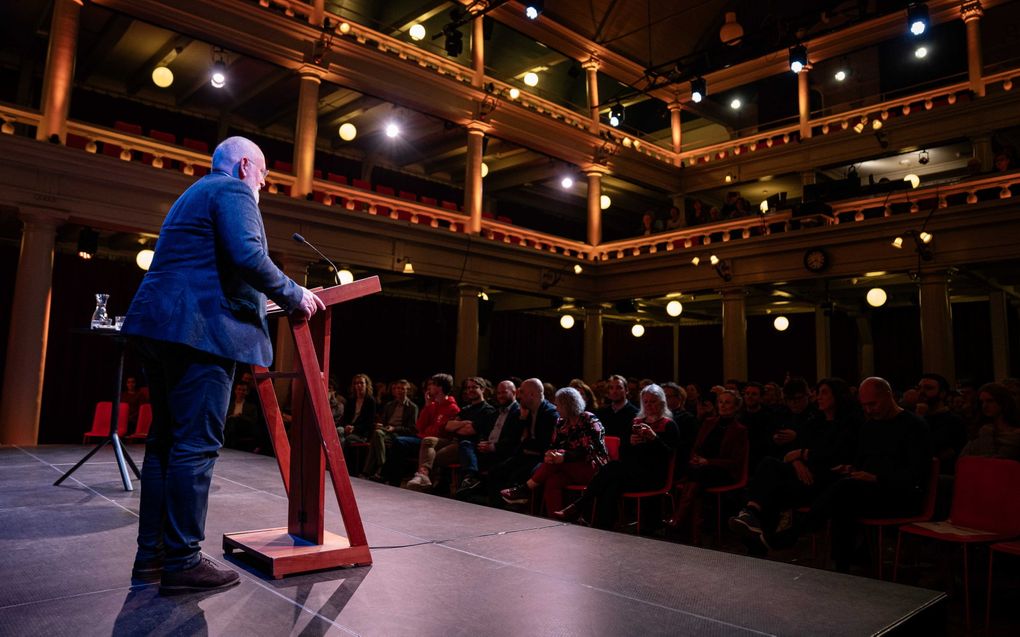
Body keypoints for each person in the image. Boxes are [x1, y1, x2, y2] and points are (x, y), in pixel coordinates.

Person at [121, 136, 324, 594]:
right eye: (264, 175)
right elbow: (247, 255)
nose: (264, 185)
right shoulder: (232, 190)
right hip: (201, 333)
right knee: (194, 446)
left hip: (161, 327)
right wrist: (294, 294)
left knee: (166, 446)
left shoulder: (192, 193)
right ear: (246, 166)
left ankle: (152, 559)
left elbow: (211, 265)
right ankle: (183, 561)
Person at [729, 378, 863, 553]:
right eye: (818, 392)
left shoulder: (847, 424)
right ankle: (752, 514)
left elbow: (834, 455)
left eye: (824, 393)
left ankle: (760, 538)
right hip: (805, 473)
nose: (819, 397)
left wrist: (803, 454)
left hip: (824, 479)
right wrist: (798, 460)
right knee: (769, 466)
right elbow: (793, 451)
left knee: (774, 489)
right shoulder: (816, 422)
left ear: (837, 396)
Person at [555, 384, 679, 532]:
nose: (648, 405)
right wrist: (631, 443)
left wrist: (654, 438)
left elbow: (668, 455)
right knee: (611, 486)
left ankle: (579, 506)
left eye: (653, 401)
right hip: (632, 473)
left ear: (662, 403)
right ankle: (601, 529)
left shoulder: (668, 425)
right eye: (645, 402)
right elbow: (624, 453)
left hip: (653, 476)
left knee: (612, 469)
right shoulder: (637, 423)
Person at [500, 387, 608, 514]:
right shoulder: (561, 422)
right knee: (552, 481)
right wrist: (550, 454)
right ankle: (555, 519)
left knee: (552, 465)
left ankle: (524, 490)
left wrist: (564, 457)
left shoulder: (589, 420)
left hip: (593, 468)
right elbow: (554, 445)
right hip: (566, 467)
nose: (556, 409)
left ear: (568, 405)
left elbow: (593, 450)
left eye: (558, 405)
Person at [363, 379, 419, 479]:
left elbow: (411, 429)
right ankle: (379, 469)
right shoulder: (389, 405)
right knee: (377, 434)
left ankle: (373, 470)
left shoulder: (412, 407)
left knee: (377, 435)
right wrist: (380, 424)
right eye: (397, 388)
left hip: (399, 434)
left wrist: (394, 428)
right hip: (386, 431)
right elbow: (383, 421)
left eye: (402, 388)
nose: (399, 391)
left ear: (408, 391)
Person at [960, 382, 1020, 460]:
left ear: (1003, 402)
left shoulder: (1015, 435)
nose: (984, 406)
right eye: (982, 402)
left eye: (990, 401)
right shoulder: (980, 431)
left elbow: (997, 461)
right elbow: (962, 459)